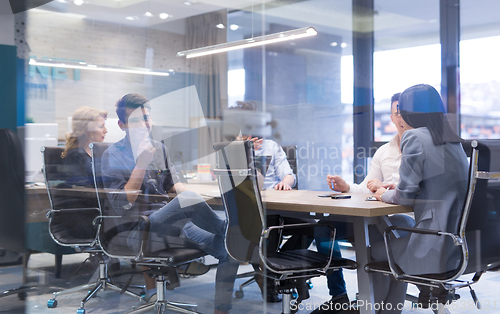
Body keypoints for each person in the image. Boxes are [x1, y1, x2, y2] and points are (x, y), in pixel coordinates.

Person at [101, 94, 238, 314]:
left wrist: (201, 194)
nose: (144, 124)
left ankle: (221, 311)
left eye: (146, 118)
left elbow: (173, 186)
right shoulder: (112, 155)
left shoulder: (158, 148)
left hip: (172, 223)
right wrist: (142, 163)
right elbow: (123, 202)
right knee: (218, 225)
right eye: (135, 120)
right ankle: (230, 230)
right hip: (138, 229)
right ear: (122, 125)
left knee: (229, 250)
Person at [370, 84, 468, 313]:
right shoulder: (454, 141)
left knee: (373, 251)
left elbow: (404, 195)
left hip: (432, 244)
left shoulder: (414, 137)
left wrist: (385, 193)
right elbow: (439, 186)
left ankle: (381, 310)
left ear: (409, 113)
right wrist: (400, 187)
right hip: (457, 245)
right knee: (392, 245)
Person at [312, 93, 404, 314]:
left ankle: (374, 301)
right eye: (397, 112)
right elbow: (367, 187)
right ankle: (339, 295)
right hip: (373, 219)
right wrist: (347, 187)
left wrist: (386, 188)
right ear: (391, 117)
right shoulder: (384, 151)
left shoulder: (421, 149)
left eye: (404, 112)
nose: (401, 117)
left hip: (400, 222)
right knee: (324, 230)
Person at [226, 101, 313, 303]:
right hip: (250, 208)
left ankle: (277, 271)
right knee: (267, 226)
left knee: (309, 226)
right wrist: (242, 151)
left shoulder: (271, 146)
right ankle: (270, 274)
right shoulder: (231, 149)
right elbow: (230, 183)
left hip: (277, 203)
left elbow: (290, 176)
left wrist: (285, 182)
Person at [58, 106, 108, 239]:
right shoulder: (75, 156)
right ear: (88, 130)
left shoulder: (98, 155)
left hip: (98, 213)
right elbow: (83, 192)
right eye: (101, 126)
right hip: (86, 217)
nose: (106, 131)